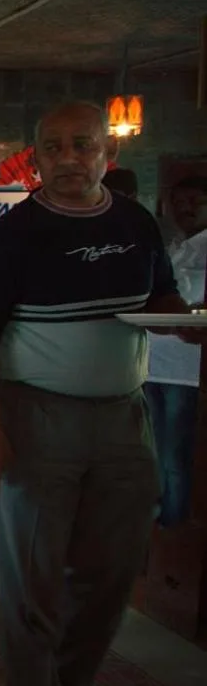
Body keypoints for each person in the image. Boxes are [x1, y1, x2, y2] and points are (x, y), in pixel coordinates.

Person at [0, 101, 202, 686]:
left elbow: (158, 298)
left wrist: (182, 319)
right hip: (35, 416)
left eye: (82, 147)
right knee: (32, 573)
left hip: (123, 416)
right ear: (35, 157)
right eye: (53, 147)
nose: (68, 159)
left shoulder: (134, 223)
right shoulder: (12, 236)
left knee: (111, 570)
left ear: (108, 156)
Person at [144, 178, 206, 534]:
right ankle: (159, 526)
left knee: (175, 457)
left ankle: (176, 532)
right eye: (179, 201)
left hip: (188, 371)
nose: (186, 208)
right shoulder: (174, 246)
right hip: (153, 364)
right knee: (153, 452)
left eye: (195, 200)